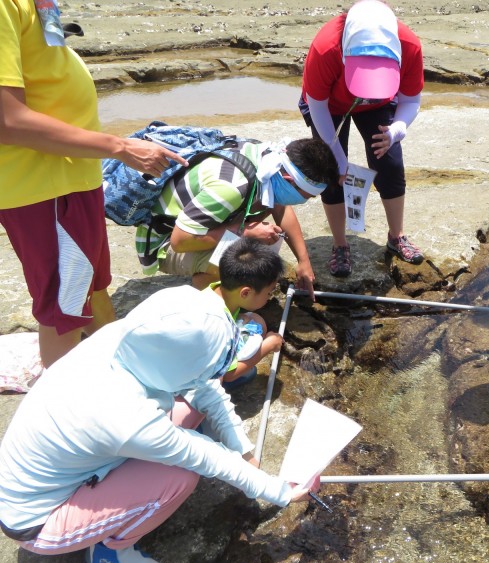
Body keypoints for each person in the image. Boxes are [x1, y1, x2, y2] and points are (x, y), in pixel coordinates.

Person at [0, 283, 317, 563]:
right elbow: (203, 456)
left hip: (72, 464)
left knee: (189, 407)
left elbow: (204, 386)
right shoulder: (126, 417)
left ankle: (119, 510)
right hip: (37, 521)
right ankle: (111, 551)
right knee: (178, 477)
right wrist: (278, 491)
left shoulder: (127, 338)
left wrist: (242, 449)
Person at [0, 0, 184, 368]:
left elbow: (49, 69)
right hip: (44, 187)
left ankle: (118, 372)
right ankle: (65, 414)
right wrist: (120, 147)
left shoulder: (38, 3)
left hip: (74, 177)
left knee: (90, 285)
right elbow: (9, 121)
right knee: (63, 309)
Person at [300, 0, 425, 277]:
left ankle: (397, 236)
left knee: (389, 162)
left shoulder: (409, 45)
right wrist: (338, 157)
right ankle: (340, 244)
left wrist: (397, 130)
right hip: (330, 106)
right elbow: (316, 103)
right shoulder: (326, 47)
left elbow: (411, 99)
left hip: (379, 102)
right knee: (331, 170)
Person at [135, 137, 338, 293]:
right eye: (308, 196)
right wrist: (246, 233)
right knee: (248, 265)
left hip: (199, 223)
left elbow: (280, 207)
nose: (308, 201)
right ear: (288, 179)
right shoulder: (230, 187)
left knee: (261, 236)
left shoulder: (269, 161)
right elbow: (181, 241)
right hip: (165, 243)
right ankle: (211, 294)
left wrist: (304, 261)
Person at [209, 237, 286, 391]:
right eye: (268, 293)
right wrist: (268, 346)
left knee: (255, 320)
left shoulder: (214, 290)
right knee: (248, 373)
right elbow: (229, 374)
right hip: (195, 380)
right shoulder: (219, 327)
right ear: (245, 293)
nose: (269, 297)